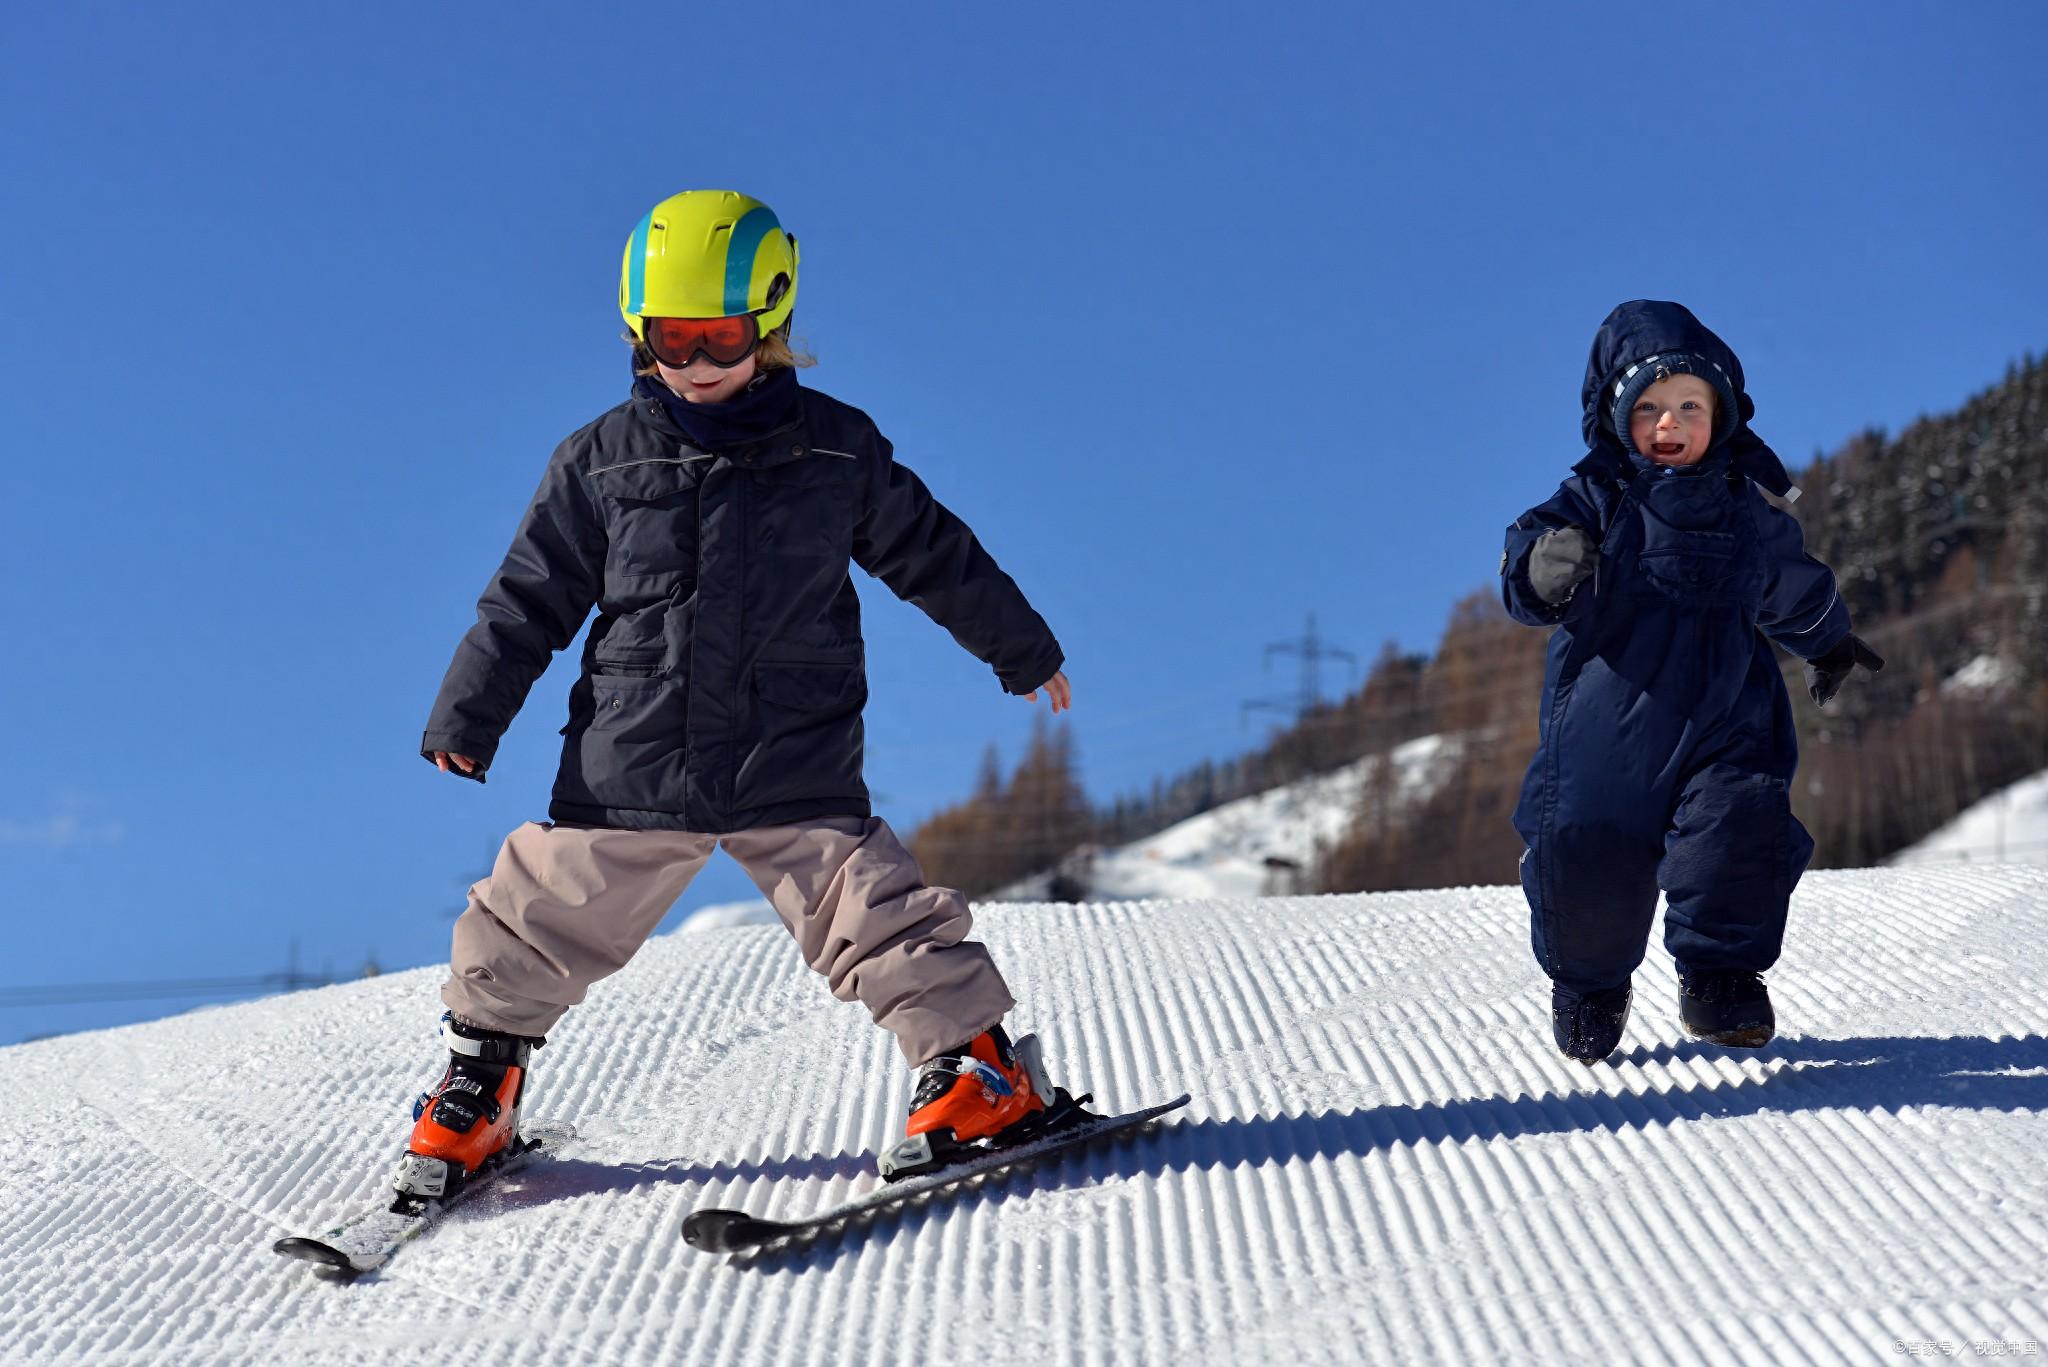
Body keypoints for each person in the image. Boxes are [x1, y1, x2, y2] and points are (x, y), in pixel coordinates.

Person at [401, 190, 1073, 1195]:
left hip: (788, 748)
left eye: (720, 337)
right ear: (640, 334)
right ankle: (476, 1089)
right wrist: (469, 708)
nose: (698, 364)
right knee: (532, 912)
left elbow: (934, 553)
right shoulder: (599, 459)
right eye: (674, 339)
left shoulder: (835, 448)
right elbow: (527, 595)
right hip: (634, 758)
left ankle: (976, 1070)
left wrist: (1020, 647)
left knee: (874, 910)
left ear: (772, 321)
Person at [1500, 300, 1883, 1064]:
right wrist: (1544, 567)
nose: (1667, 423)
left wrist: (1830, 639)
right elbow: (1523, 564)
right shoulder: (1594, 500)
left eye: (1687, 405)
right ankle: (1590, 983)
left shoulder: (1747, 514)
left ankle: (1720, 977)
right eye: (1646, 408)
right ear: (1615, 418)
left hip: (1726, 718)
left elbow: (1793, 585)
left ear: (1723, 414)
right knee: (1587, 853)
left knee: (1739, 831)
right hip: (1609, 732)